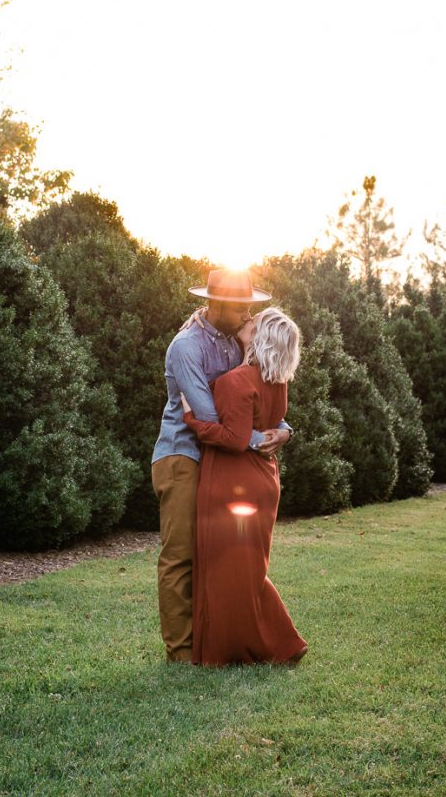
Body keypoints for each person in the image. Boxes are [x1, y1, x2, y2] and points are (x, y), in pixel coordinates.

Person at [151, 269, 293, 663]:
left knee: (217, 556)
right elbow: (210, 415)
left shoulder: (236, 342)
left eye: (251, 307)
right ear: (215, 305)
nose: (249, 315)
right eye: (240, 308)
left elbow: (256, 395)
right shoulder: (186, 347)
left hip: (221, 460)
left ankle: (210, 643)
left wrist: (283, 430)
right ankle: (181, 654)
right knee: (181, 555)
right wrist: (258, 438)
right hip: (183, 454)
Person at [181, 307, 308, 667]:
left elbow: (234, 439)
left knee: (228, 569)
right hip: (264, 478)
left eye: (255, 320)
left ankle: (250, 647)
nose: (247, 320)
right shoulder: (277, 382)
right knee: (247, 569)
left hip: (234, 478)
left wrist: (191, 417)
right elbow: (259, 427)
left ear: (260, 336)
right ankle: (281, 643)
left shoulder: (239, 380)